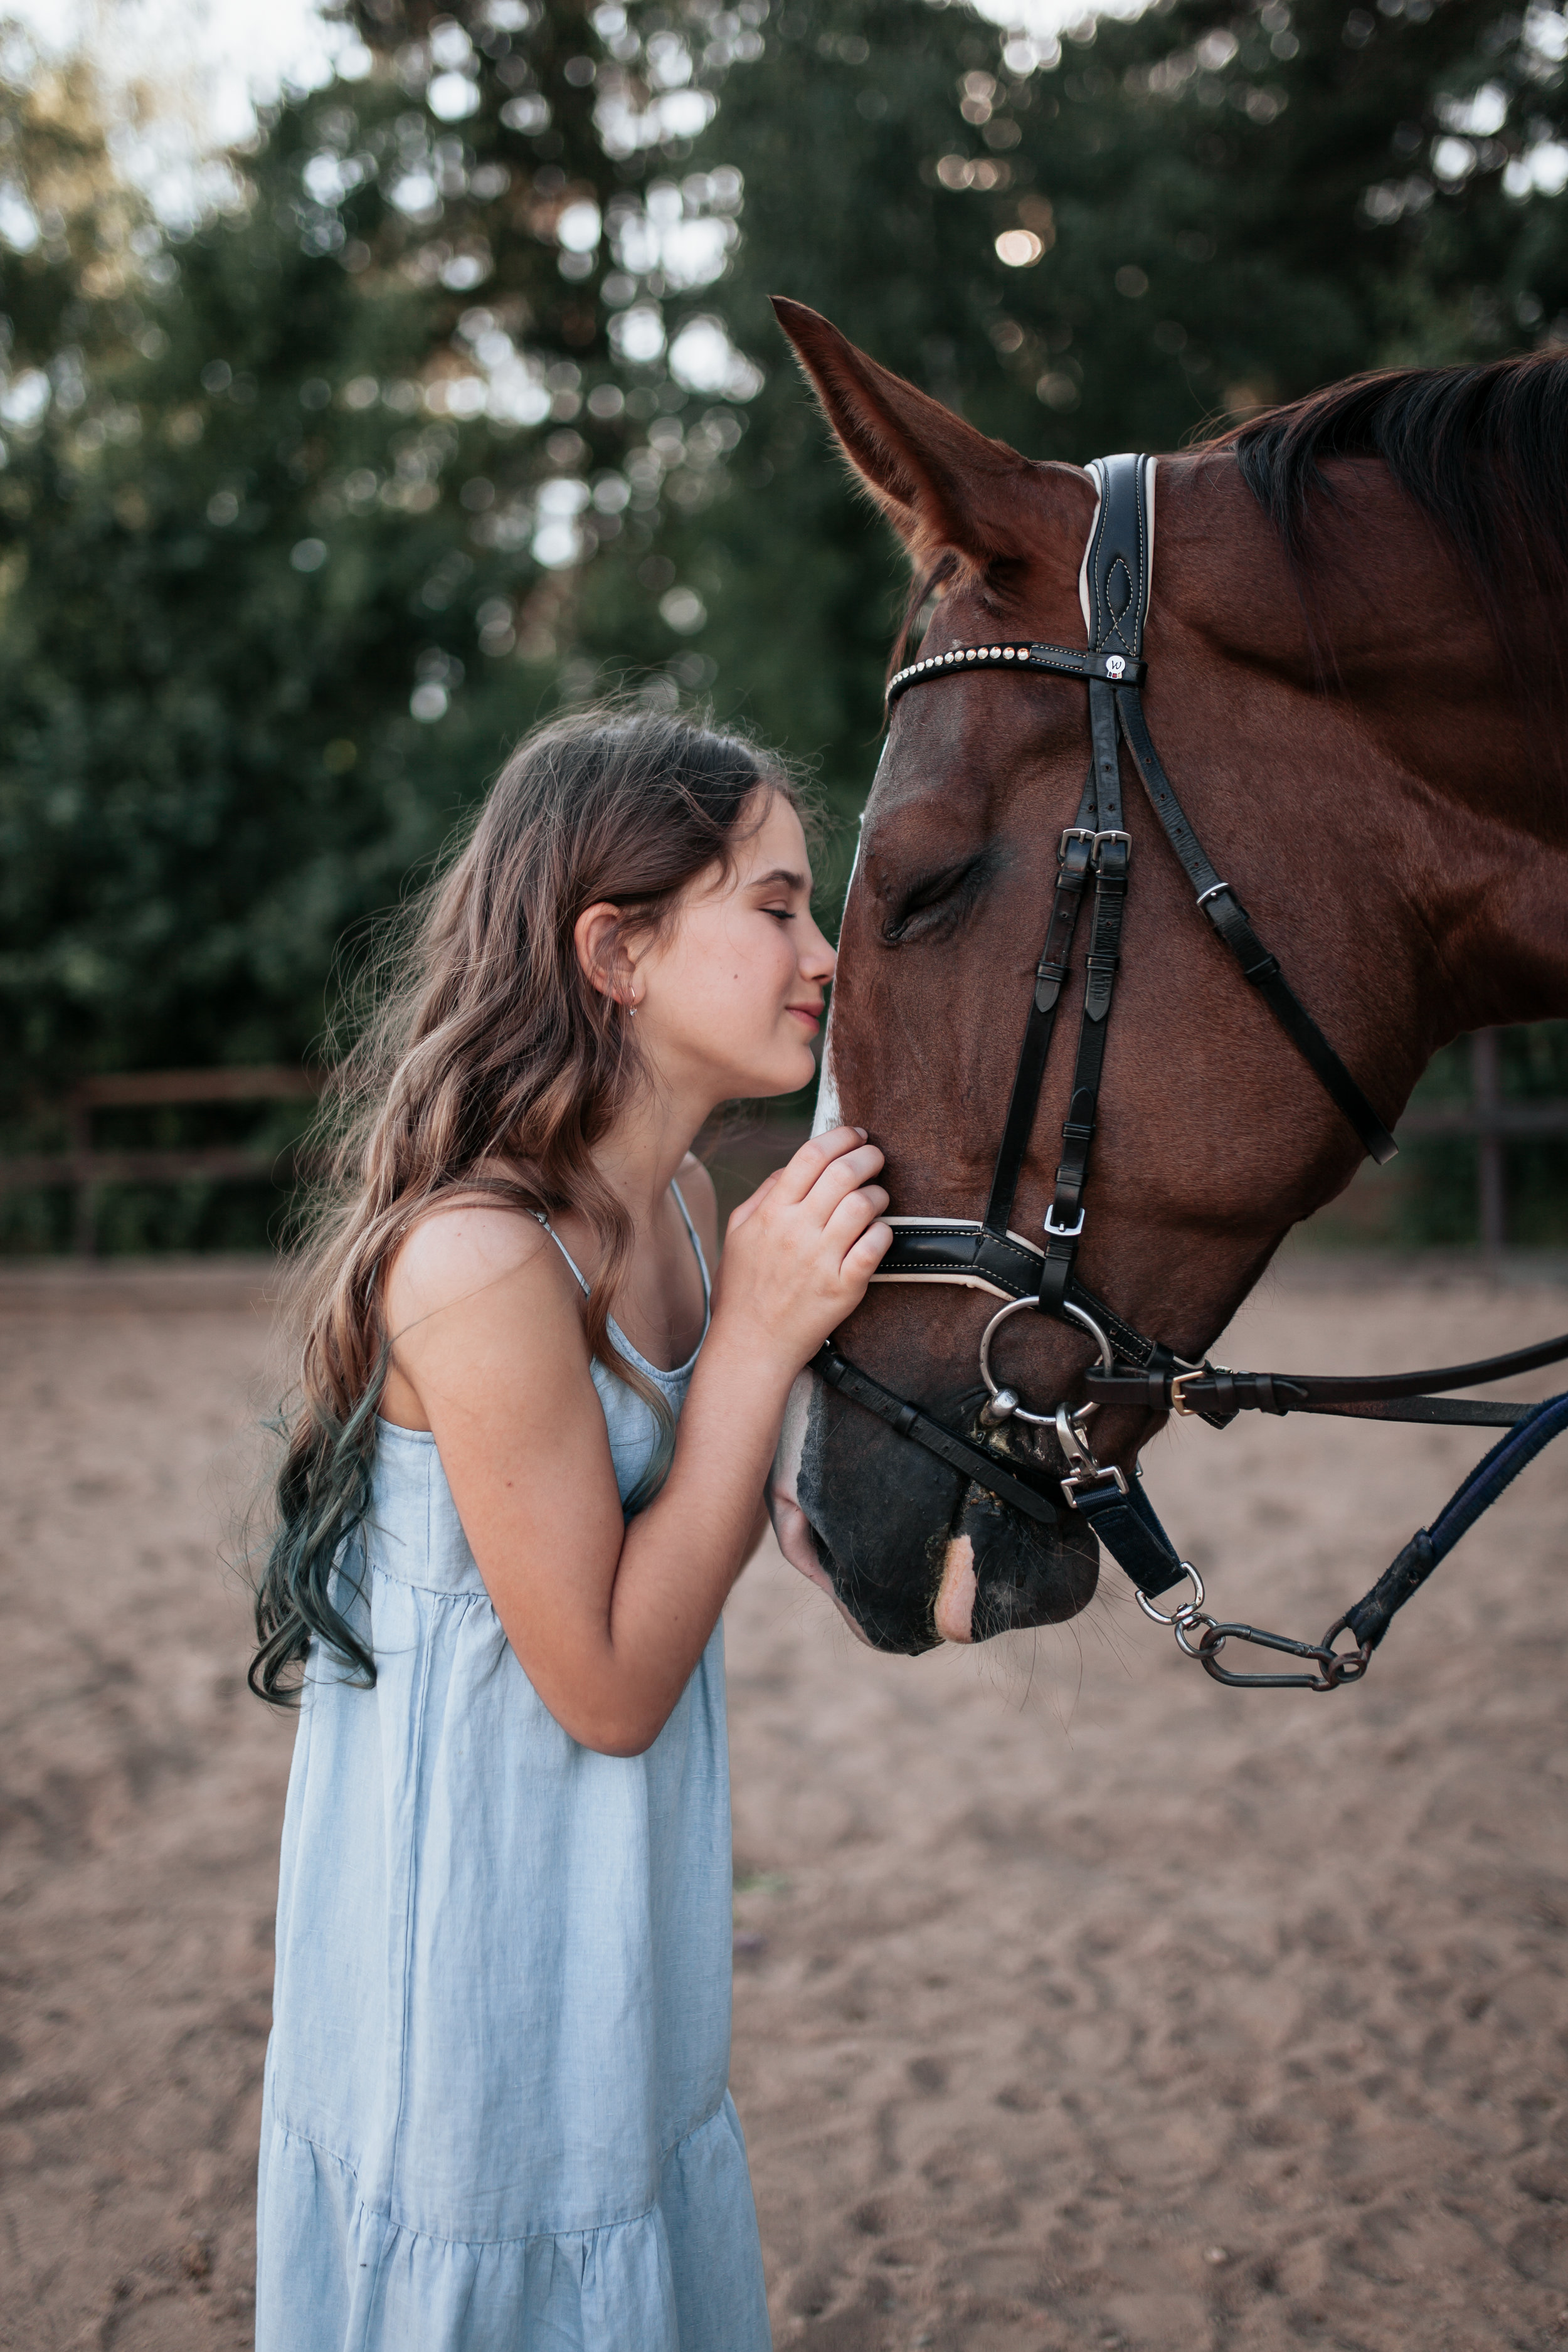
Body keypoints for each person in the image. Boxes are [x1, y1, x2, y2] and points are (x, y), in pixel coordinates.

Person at [249, 704, 890, 2351]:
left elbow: (718, 1501)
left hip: (620, 1922)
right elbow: (604, 1688)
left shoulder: (682, 1203)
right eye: (773, 907)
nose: (822, 953)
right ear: (615, 949)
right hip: (478, 1938)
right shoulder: (482, 1261)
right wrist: (755, 1343)